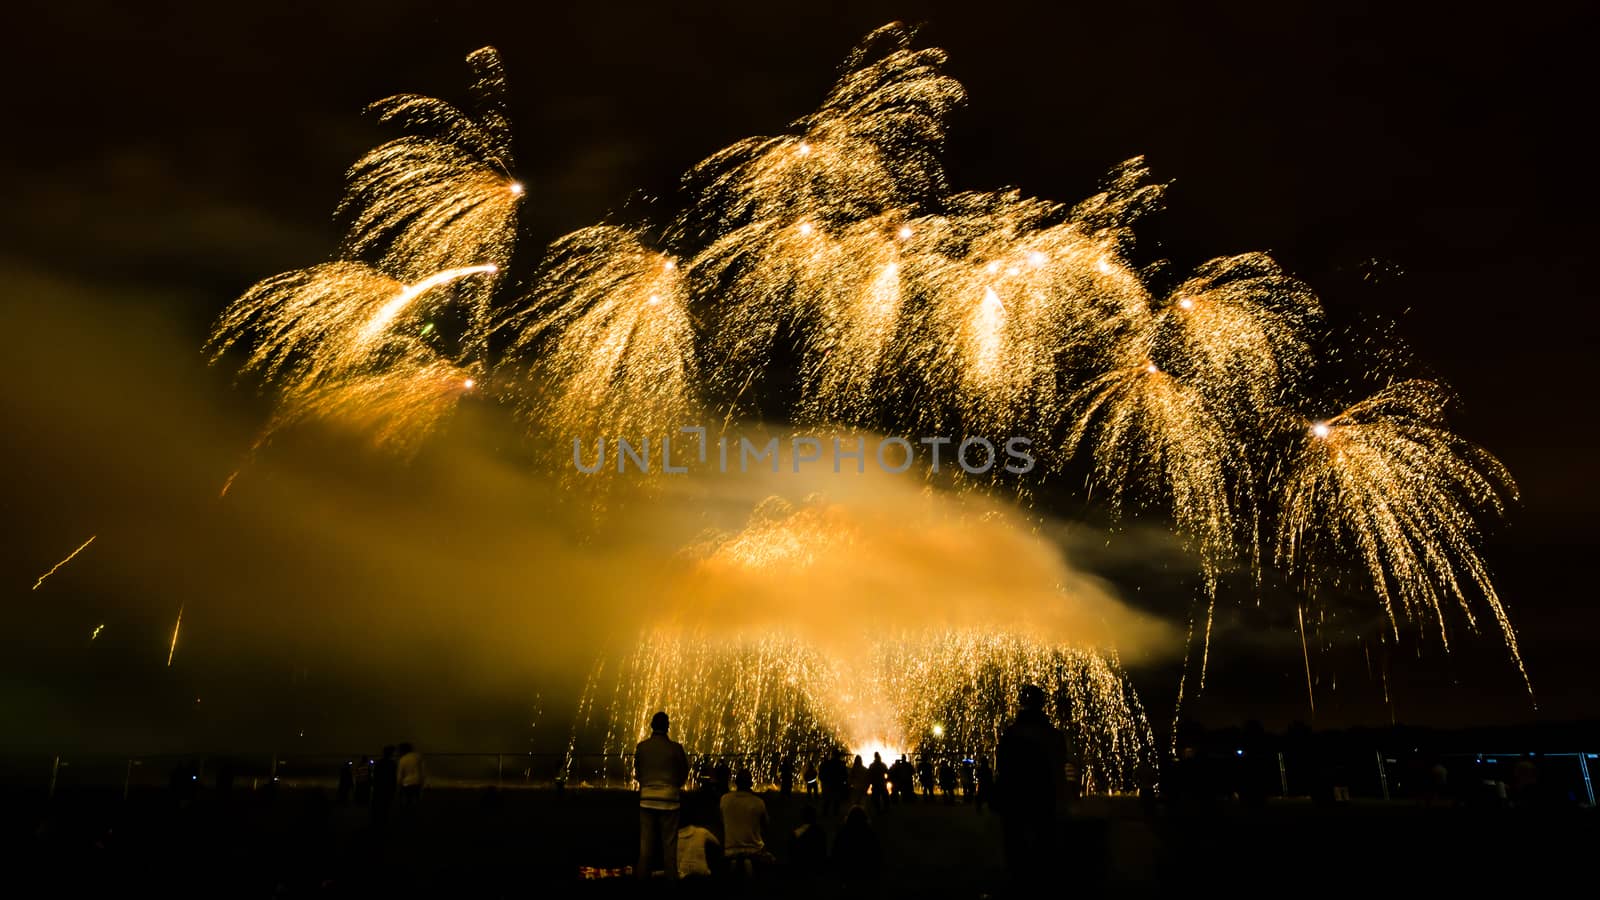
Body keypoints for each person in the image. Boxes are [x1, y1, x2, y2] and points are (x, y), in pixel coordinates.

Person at [995, 684, 1068, 891]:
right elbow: (1058, 767)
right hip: (1045, 797)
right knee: (1044, 843)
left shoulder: (1011, 735)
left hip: (1016, 797)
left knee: (1016, 845)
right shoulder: (1054, 736)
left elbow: (1003, 766)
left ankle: (1020, 881)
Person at [635, 711, 690, 882]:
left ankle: (642, 880)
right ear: (667, 726)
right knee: (669, 845)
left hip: (647, 800)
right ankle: (671, 882)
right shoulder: (676, 748)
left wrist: (647, 783)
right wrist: (674, 786)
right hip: (670, 801)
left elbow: (638, 772)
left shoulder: (642, 747)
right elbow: (684, 771)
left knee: (646, 846)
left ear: (651, 726)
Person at [720, 769, 771, 878]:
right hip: (755, 850)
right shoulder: (758, 802)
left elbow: (720, 821)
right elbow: (766, 825)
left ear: (736, 783)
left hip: (730, 850)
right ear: (751, 784)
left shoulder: (724, 799)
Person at [832, 806, 881, 888]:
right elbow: (876, 853)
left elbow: (836, 851)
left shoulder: (843, 832)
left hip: (848, 871)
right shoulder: (869, 833)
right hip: (866, 871)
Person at [675, 814, 721, 881]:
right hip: (702, 874)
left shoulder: (672, 838)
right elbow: (717, 843)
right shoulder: (702, 832)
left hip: (681, 876)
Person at [788, 805, 827, 878]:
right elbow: (823, 851)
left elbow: (791, 854)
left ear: (802, 818)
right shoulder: (821, 832)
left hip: (800, 871)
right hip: (817, 870)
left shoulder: (796, 834)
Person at [370, 746, 397, 826]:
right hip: (388, 788)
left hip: (379, 788)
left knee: (377, 807)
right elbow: (393, 778)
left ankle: (376, 823)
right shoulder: (393, 764)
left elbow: (375, 776)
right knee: (385, 807)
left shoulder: (379, 763)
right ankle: (383, 822)